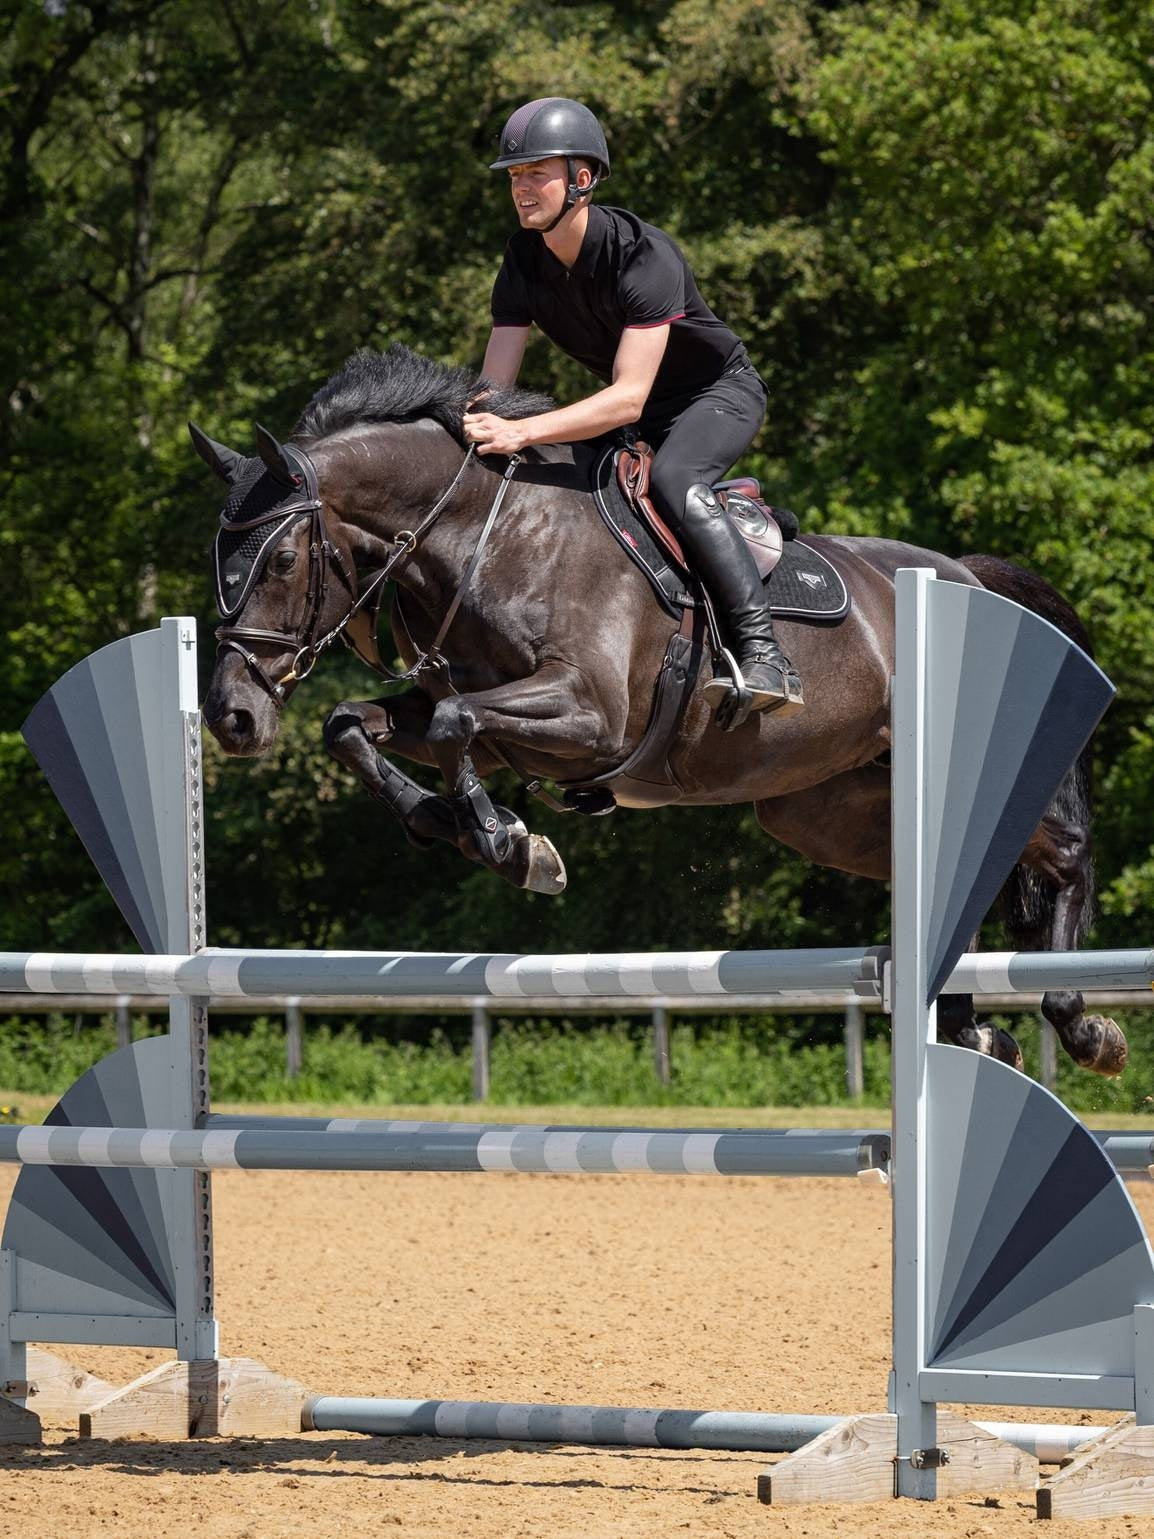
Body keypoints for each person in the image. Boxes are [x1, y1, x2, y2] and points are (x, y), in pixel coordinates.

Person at [463, 96, 804, 723]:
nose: (522, 186)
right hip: (639, 413)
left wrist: (519, 428)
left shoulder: (645, 256)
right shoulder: (521, 260)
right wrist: (465, 430)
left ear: (583, 180)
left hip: (715, 395)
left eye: (537, 171)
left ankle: (765, 656)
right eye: (515, 175)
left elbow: (627, 396)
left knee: (675, 479)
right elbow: (495, 388)